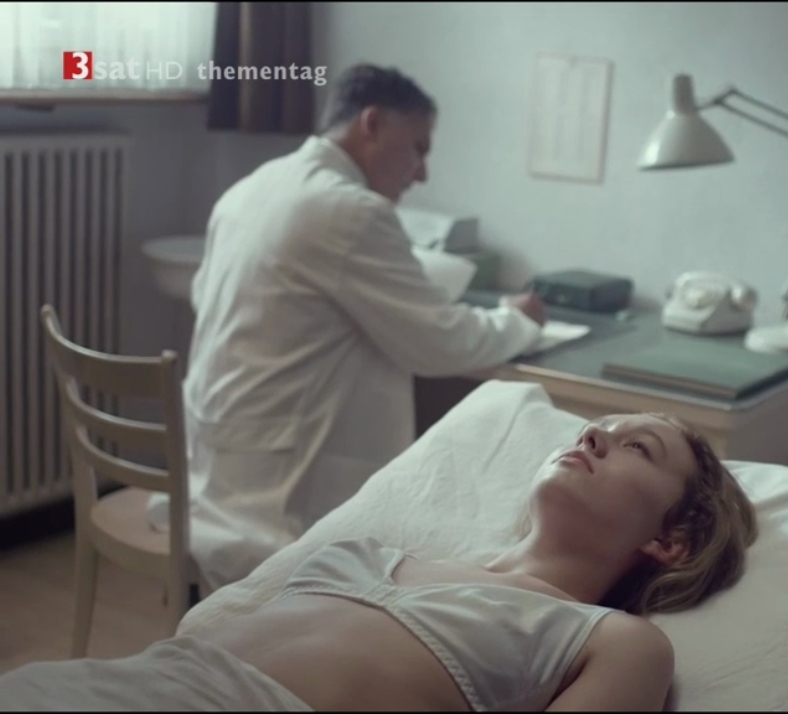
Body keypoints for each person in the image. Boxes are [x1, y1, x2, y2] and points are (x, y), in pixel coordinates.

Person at [2, 412, 760, 711]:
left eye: (636, 448)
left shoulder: (613, 640)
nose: (593, 436)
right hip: (112, 685)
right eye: (597, 427)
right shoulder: (381, 553)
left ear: (671, 541)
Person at [147, 63, 552, 592]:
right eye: (418, 147)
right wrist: (517, 319)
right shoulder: (350, 211)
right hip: (278, 502)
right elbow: (442, 343)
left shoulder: (253, 187)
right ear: (372, 124)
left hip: (211, 473)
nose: (422, 173)